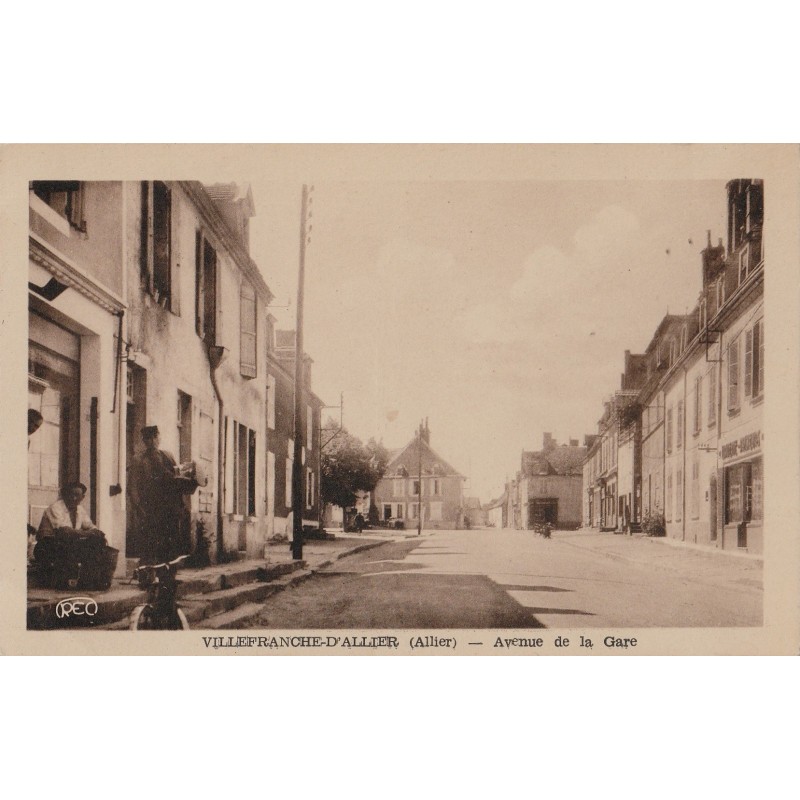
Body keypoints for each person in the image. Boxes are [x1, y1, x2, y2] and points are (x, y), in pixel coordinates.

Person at [128, 425, 191, 564]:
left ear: (158, 437)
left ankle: (168, 578)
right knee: (150, 545)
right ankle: (149, 578)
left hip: (170, 508)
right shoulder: (138, 460)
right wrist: (138, 507)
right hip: (150, 509)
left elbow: (177, 478)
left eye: (154, 437)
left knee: (170, 545)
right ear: (144, 440)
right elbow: (133, 486)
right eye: (147, 439)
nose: (152, 441)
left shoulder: (167, 455)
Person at [35, 482, 115, 590]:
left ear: (83, 497)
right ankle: (72, 581)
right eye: (71, 494)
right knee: (76, 543)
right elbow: (64, 531)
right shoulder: (56, 507)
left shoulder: (80, 510)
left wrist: (97, 533)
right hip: (47, 546)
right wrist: (89, 533)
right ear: (65, 495)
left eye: (77, 495)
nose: (73, 498)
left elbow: (89, 526)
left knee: (98, 542)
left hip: (66, 544)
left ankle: (91, 581)